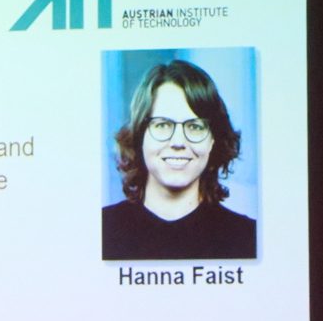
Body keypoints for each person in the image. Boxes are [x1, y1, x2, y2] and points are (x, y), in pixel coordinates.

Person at [101, 59, 256, 260]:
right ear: (140, 136)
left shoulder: (247, 238)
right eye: (162, 125)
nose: (178, 142)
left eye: (195, 126)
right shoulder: (102, 230)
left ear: (213, 140)